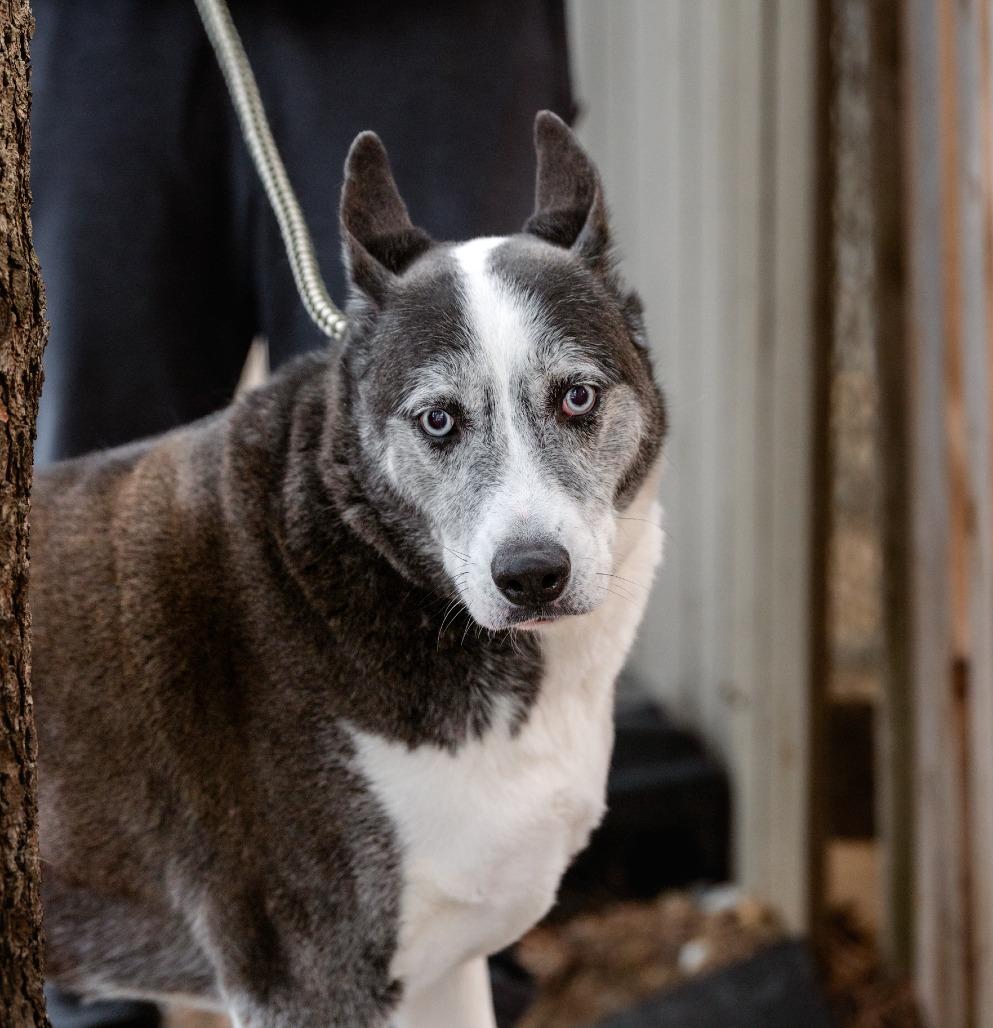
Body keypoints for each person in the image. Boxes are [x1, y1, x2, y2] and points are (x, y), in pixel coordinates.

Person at [31, 1, 573, 1023]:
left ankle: (452, 972)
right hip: (111, 34)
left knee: (464, 510)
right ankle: (91, 1004)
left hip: (430, 39)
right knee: (77, 529)